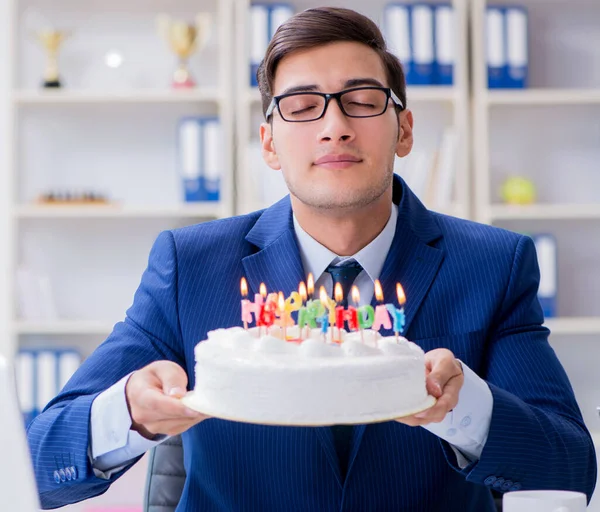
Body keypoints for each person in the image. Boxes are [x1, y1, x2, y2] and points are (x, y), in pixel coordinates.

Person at [27, 7, 596, 511]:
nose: (334, 127)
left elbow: (570, 465)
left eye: (363, 101)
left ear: (404, 128)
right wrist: (131, 412)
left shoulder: (493, 264)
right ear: (269, 142)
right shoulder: (190, 264)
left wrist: (464, 407)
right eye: (302, 107)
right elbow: (41, 459)